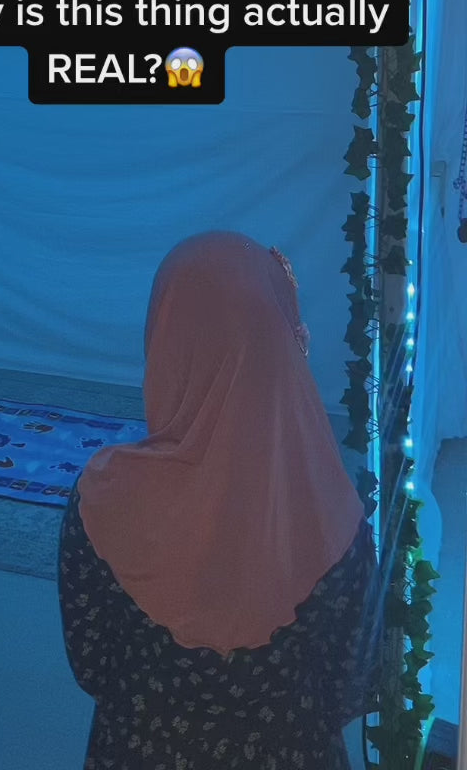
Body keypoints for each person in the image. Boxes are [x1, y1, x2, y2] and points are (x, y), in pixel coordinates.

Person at [58, 231, 380, 770]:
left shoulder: (103, 498)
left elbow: (90, 661)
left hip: (139, 750)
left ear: (167, 342)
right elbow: (351, 683)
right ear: (282, 340)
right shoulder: (333, 511)